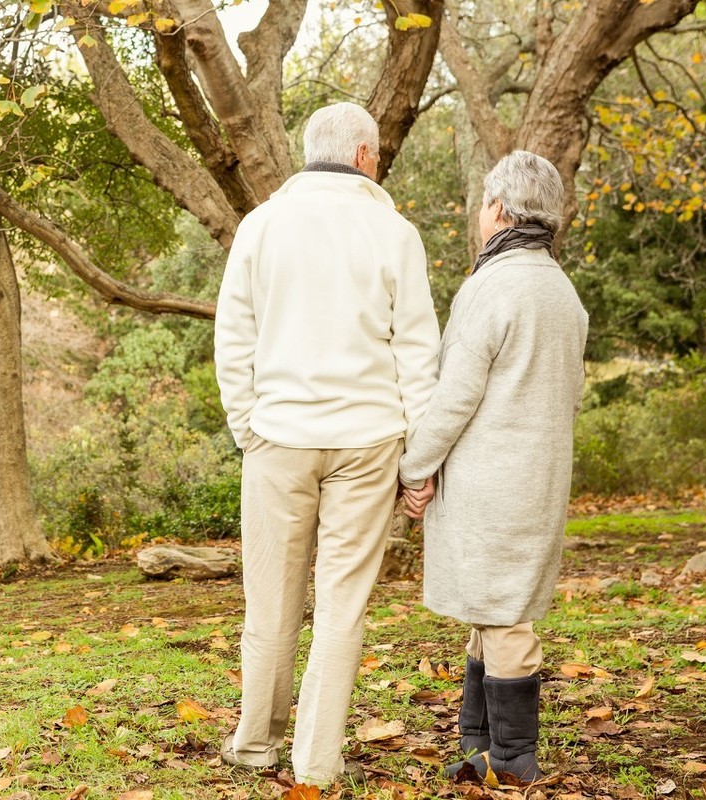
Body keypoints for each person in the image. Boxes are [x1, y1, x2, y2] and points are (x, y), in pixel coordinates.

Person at [214, 102, 441, 786]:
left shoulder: (261, 227)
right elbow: (418, 354)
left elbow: (234, 340)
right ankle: (315, 760)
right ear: (365, 155)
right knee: (341, 605)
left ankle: (256, 745)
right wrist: (418, 464)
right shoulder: (394, 233)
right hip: (369, 439)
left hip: (279, 436)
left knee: (271, 601)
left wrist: (248, 427)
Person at [399, 150, 589, 783]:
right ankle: (477, 747)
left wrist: (415, 467)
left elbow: (456, 395)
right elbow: (573, 391)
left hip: (492, 481)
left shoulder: (491, 285)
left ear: (501, 211)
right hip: (540, 476)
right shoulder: (563, 292)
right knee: (495, 610)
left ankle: (512, 761)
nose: (479, 214)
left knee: (504, 618)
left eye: (482, 203)